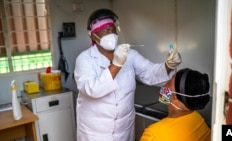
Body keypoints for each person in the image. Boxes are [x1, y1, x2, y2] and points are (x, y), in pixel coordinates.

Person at [74, 8, 182, 141]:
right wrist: (116, 65)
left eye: (113, 30)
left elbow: (150, 73)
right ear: (93, 35)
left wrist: (168, 65)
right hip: (95, 133)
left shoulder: (129, 55)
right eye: (106, 30)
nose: (111, 34)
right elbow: (92, 90)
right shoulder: (84, 59)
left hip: (124, 130)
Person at [140, 68, 211, 141]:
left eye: (169, 81)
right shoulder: (199, 119)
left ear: (175, 97)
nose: (165, 84)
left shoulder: (153, 135)